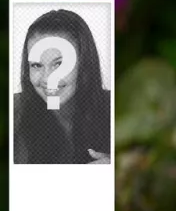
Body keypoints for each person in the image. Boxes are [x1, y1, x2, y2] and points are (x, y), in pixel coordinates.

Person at [14, 9, 111, 165]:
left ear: (84, 62)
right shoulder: (14, 112)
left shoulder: (114, 106)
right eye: (37, 65)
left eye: (59, 64)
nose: (48, 79)